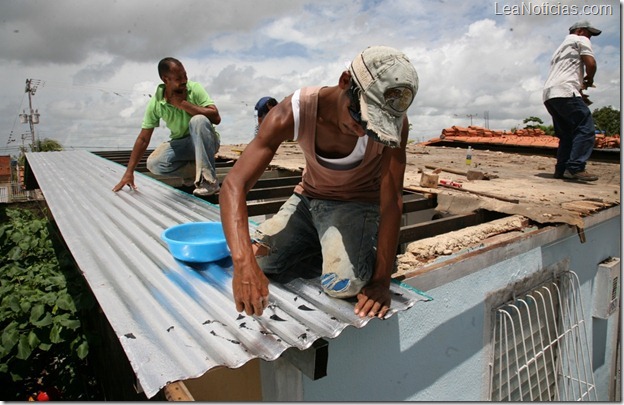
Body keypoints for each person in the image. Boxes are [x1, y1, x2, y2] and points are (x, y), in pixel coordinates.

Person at [219, 46, 419, 319]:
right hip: (307, 201)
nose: (363, 130)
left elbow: (392, 199)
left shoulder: (395, 128)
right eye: (359, 115)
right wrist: (243, 264)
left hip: (355, 205)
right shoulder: (292, 112)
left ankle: (331, 240)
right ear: (345, 81)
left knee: (344, 285)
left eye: (374, 125)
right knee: (254, 259)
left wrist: (382, 281)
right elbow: (233, 185)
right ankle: (319, 237)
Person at [112, 57, 222, 196]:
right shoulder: (156, 103)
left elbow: (216, 117)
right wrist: (129, 172)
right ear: (165, 80)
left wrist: (183, 104)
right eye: (178, 78)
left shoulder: (194, 89)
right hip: (182, 144)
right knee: (154, 163)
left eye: (185, 75)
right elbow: (143, 139)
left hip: (207, 142)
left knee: (198, 120)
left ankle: (209, 182)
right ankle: (198, 172)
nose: (184, 80)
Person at [543, 20, 601, 181]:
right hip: (565, 92)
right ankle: (575, 167)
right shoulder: (580, 40)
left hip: (550, 95)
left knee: (567, 134)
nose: (590, 37)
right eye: (589, 34)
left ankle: (561, 169)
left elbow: (564, 74)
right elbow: (591, 64)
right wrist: (589, 79)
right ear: (581, 31)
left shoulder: (559, 49)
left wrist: (579, 92)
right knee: (585, 128)